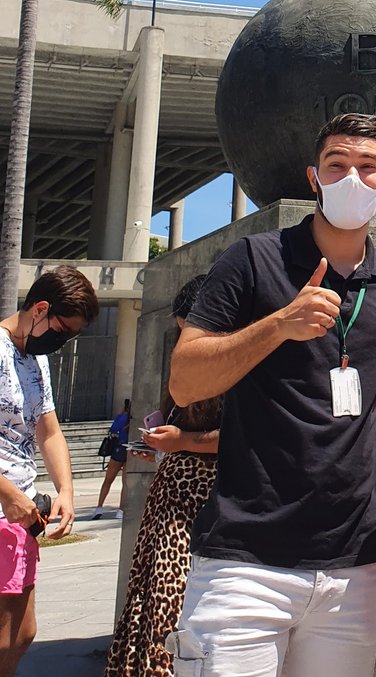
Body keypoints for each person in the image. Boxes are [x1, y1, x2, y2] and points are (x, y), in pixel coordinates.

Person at [167, 113, 376, 677]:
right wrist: (278, 324)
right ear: (313, 177)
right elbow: (185, 379)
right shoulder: (253, 260)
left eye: (367, 167)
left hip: (353, 562)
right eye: (338, 165)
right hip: (246, 561)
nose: (353, 177)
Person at [104, 276, 222, 677]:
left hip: (203, 500)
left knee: (176, 606)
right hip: (172, 496)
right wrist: (164, 443)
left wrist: (183, 440)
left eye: (186, 327)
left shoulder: (233, 362)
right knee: (154, 598)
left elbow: (246, 436)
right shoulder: (188, 361)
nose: (181, 338)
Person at [0, 265, 99, 674]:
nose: (64, 341)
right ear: (39, 309)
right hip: (6, 506)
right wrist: (8, 494)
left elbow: (50, 430)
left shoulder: (34, 360)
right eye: (64, 329)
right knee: (5, 634)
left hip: (22, 516)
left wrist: (67, 492)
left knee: (22, 633)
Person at [96, 398, 131, 516]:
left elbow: (113, 430)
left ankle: (99, 507)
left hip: (118, 449)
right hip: (130, 449)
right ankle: (120, 510)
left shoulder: (121, 417)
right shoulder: (134, 419)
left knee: (108, 480)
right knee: (125, 484)